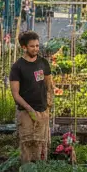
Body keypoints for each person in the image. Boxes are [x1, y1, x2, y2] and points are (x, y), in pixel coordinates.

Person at [10, 31, 54, 163]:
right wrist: (29, 109)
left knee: (41, 145)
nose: (35, 49)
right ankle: (26, 171)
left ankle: (40, 171)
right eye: (32, 46)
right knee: (27, 144)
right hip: (25, 112)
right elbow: (15, 94)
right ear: (24, 47)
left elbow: (49, 84)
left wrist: (49, 100)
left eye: (37, 46)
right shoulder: (17, 67)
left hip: (42, 110)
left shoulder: (43, 63)